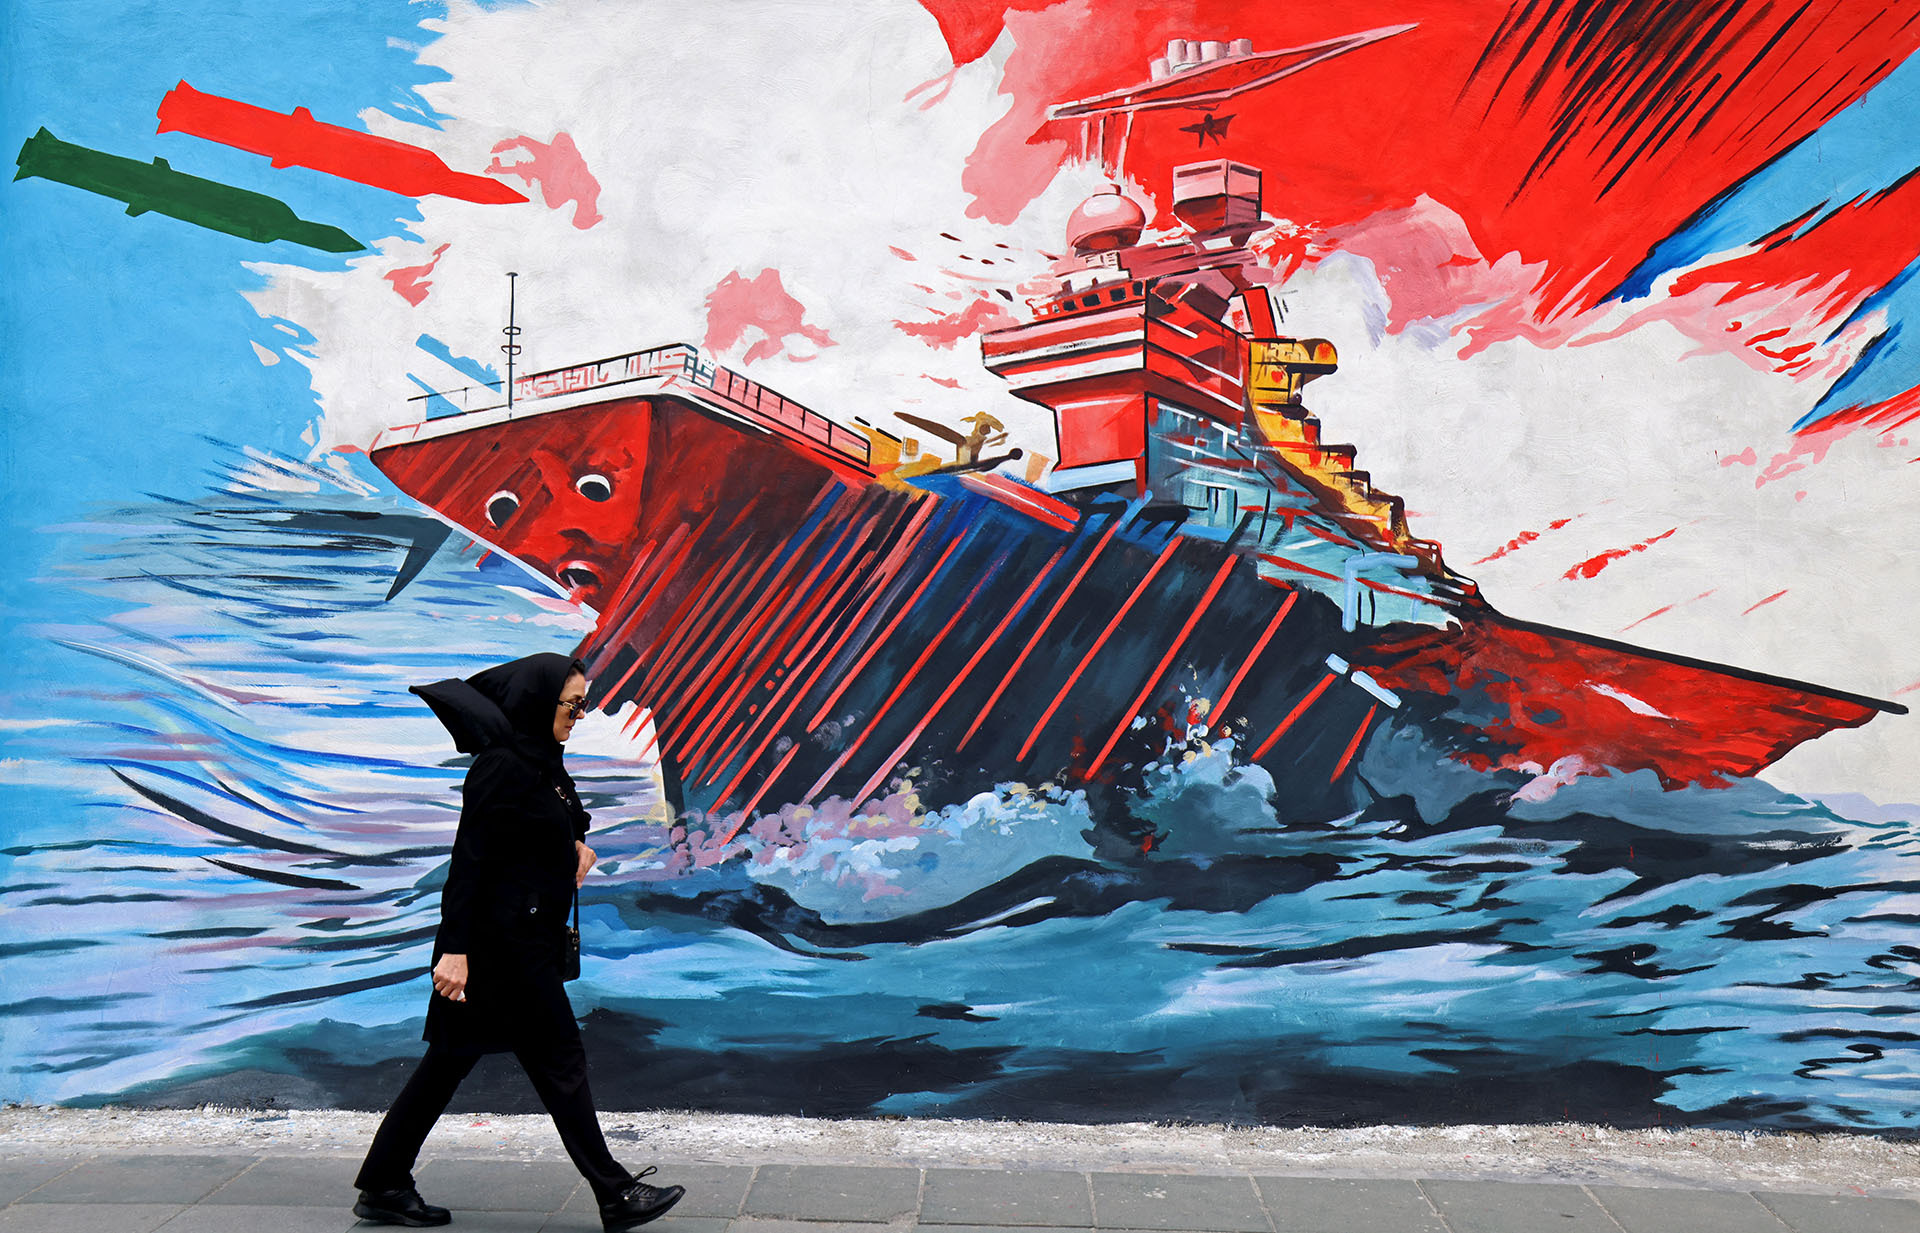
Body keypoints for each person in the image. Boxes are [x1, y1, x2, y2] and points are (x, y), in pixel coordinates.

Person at [352, 652, 684, 1231]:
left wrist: (576, 846)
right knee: (560, 1059)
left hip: (521, 941)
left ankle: (383, 1183)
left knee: (447, 1063)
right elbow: (469, 862)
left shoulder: (542, 760)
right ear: (537, 701)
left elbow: (560, 819)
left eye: (583, 704)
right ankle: (615, 1193)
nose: (580, 715)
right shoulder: (501, 767)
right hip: (498, 949)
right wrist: (453, 952)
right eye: (572, 705)